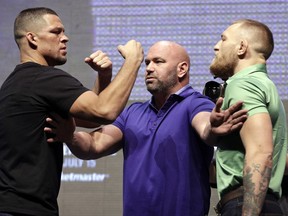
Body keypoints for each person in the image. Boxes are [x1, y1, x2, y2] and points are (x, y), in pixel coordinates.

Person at [46, 40, 248, 216]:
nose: (149, 68)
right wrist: (70, 137)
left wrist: (213, 129)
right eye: (147, 63)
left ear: (182, 69)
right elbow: (94, 144)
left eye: (158, 62)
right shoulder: (133, 112)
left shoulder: (196, 103)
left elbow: (205, 127)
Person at [0, 7, 143, 216]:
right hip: (24, 210)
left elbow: (92, 120)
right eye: (56, 32)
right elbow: (105, 111)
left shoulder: (19, 82)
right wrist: (133, 61)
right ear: (32, 38)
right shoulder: (44, 79)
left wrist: (104, 77)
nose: (65, 38)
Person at [209, 19, 287, 215]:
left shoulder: (243, 84)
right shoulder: (264, 85)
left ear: (242, 47)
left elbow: (261, 151)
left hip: (247, 205)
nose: (216, 46)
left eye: (223, 39)